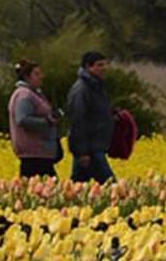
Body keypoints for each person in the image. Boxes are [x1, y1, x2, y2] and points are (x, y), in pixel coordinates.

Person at [66, 50, 116, 185]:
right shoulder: (81, 90)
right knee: (111, 186)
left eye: (104, 65)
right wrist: (82, 152)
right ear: (88, 67)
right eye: (99, 65)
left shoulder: (95, 87)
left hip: (95, 146)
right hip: (90, 148)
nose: (103, 69)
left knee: (78, 185)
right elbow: (77, 120)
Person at [8, 59, 61, 178]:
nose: (41, 77)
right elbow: (22, 119)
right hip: (34, 154)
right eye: (36, 74)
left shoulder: (34, 94)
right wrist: (47, 121)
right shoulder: (24, 95)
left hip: (40, 153)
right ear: (27, 77)